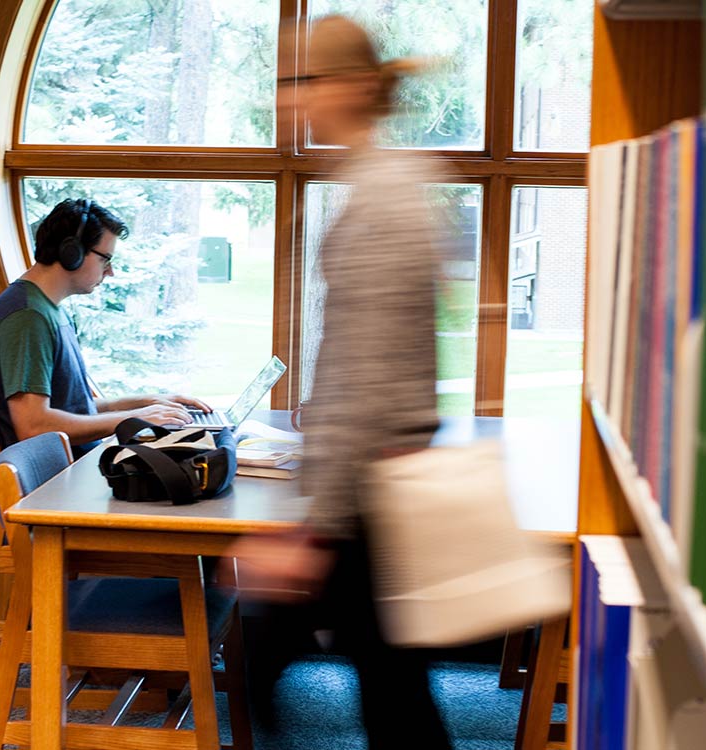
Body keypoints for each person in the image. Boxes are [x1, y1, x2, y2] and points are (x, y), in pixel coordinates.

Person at [227, 15, 454, 750]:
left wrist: (316, 526)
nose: (289, 99)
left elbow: (371, 377)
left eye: (303, 81)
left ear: (354, 86)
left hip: (372, 503)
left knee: (288, 671)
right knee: (393, 697)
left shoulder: (383, 198)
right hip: (375, 494)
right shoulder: (383, 184)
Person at [0, 198, 212, 456]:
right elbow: (34, 426)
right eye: (105, 259)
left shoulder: (46, 309)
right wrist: (135, 418)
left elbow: (73, 408)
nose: (110, 272)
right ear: (71, 253)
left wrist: (148, 404)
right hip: (57, 484)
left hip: (72, 469)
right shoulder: (27, 317)